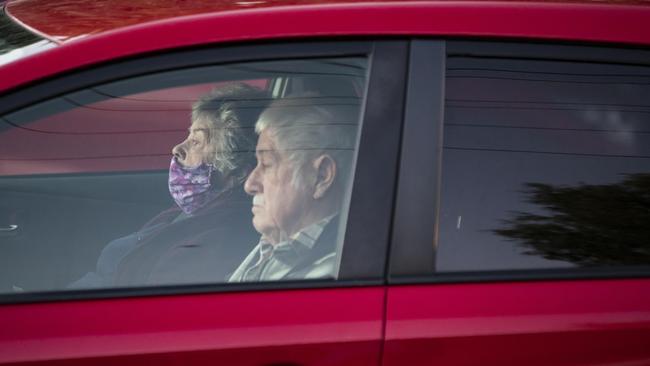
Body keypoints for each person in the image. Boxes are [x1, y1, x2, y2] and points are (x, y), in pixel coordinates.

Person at [69, 83, 268, 288]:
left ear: (237, 172)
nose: (177, 148)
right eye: (188, 137)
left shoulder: (219, 240)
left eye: (196, 141)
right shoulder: (199, 212)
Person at [228, 94, 360, 282]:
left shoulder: (331, 275)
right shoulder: (274, 245)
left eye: (266, 164)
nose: (250, 184)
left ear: (321, 176)